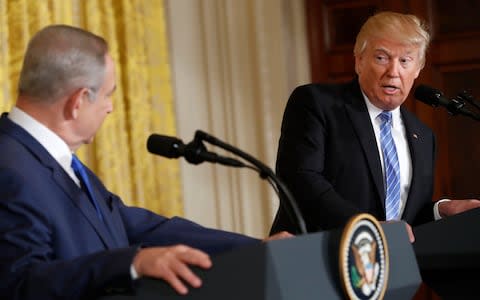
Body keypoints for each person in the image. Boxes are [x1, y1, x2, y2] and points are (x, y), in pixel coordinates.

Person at [0, 25, 291, 300]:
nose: (110, 107)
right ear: (78, 101)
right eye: (107, 94)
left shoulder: (52, 159)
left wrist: (253, 249)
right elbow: (19, 284)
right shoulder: (10, 168)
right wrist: (132, 263)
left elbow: (137, 226)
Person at [270, 11, 480, 236]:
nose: (393, 72)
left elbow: (404, 218)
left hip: (390, 265)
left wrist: (441, 210)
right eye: (382, 58)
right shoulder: (317, 104)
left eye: (405, 61)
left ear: (418, 69)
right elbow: (300, 180)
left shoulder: (424, 136)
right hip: (318, 256)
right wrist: (367, 228)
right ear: (359, 61)